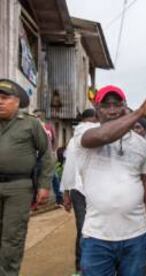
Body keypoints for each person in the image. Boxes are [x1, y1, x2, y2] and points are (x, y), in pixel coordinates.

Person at [75, 85, 146, 276]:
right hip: (97, 237)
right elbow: (104, 135)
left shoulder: (140, 144)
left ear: (124, 106)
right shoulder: (84, 131)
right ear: (96, 109)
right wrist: (138, 113)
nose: (112, 110)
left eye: (116, 104)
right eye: (105, 105)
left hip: (137, 236)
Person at [0, 79, 53, 275]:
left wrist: (44, 185)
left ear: (17, 101)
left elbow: (47, 154)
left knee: (12, 237)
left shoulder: (30, 124)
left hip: (19, 187)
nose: (0, 102)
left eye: (5, 98)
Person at [60, 108, 97, 276]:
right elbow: (69, 169)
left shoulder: (102, 136)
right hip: (80, 190)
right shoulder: (76, 140)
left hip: (92, 189)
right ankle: (81, 267)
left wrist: (66, 195)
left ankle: (88, 266)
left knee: (91, 228)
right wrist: (66, 194)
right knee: (84, 228)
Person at [33, 109, 62, 206]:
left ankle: (59, 198)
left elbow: (55, 140)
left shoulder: (49, 127)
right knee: (35, 177)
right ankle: (35, 201)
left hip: (48, 156)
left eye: (37, 115)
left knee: (54, 176)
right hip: (35, 156)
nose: (36, 117)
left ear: (41, 117)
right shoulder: (33, 128)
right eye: (35, 116)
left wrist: (53, 152)